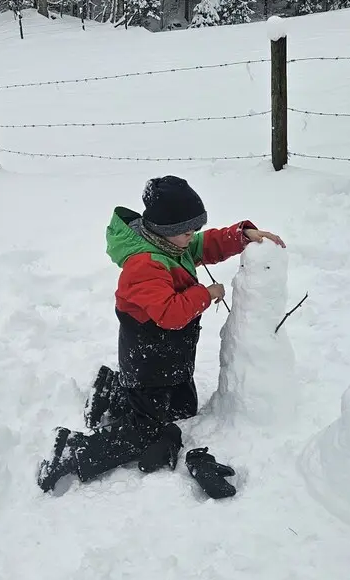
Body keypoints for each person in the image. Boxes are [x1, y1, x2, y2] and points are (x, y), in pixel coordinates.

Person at [37, 175, 285, 498]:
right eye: (186, 231)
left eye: (192, 230)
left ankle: (109, 390)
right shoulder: (144, 265)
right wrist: (205, 293)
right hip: (148, 366)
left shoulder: (171, 244)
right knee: (145, 433)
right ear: (165, 231)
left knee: (184, 408)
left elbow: (205, 244)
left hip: (171, 359)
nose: (191, 237)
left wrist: (242, 234)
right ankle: (72, 450)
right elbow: (170, 313)